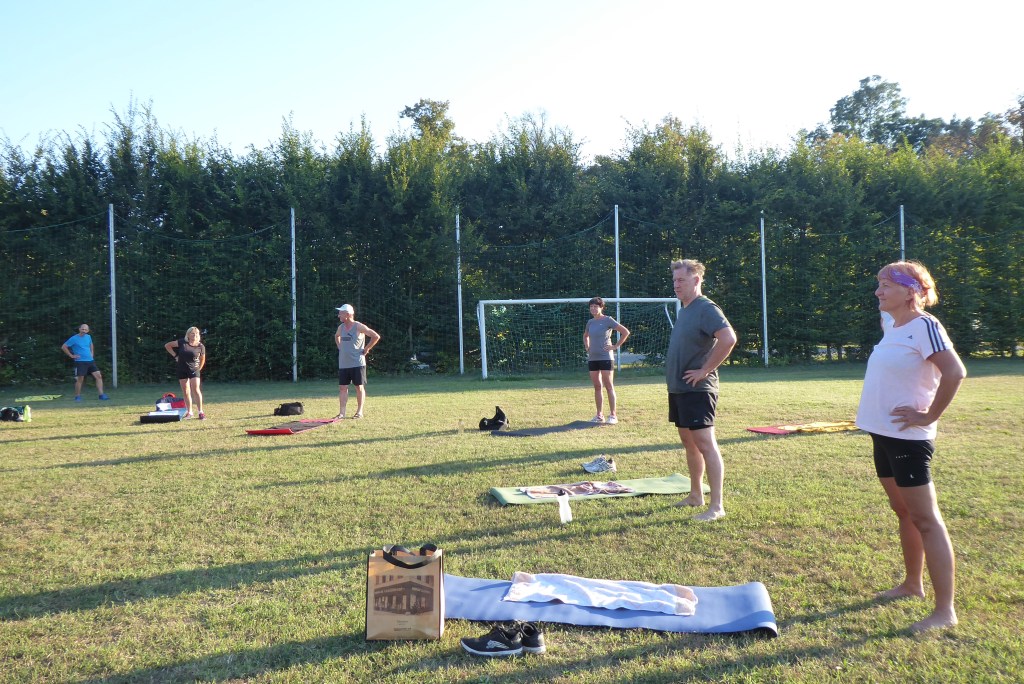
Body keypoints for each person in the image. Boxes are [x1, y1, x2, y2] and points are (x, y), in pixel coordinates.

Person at [855, 261, 966, 633]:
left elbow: (955, 371)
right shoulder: (893, 325)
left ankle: (944, 611)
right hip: (883, 435)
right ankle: (912, 584)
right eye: (878, 284)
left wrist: (929, 415)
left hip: (908, 440)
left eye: (885, 285)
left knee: (927, 521)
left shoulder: (925, 326)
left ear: (910, 291)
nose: (878, 291)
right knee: (903, 511)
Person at [665, 259, 737, 521]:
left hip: (698, 390)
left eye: (681, 280)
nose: (676, 285)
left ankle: (717, 507)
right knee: (689, 443)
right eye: (674, 280)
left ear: (696, 280)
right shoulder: (685, 310)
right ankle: (696, 495)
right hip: (680, 389)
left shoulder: (706, 308)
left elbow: (728, 339)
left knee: (706, 443)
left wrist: (704, 370)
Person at [583, 297, 630, 424]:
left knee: (609, 386)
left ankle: (613, 415)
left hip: (606, 357)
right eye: (591, 306)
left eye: (595, 306)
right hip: (593, 358)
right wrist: (587, 346)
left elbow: (625, 332)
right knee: (597, 386)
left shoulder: (608, 320)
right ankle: (599, 415)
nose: (593, 309)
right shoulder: (590, 322)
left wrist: (615, 346)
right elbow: (585, 336)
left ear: (601, 307)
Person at [335, 304, 380, 419]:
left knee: (359, 387)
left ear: (348, 314)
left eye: (341, 313)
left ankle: (359, 412)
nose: (339, 315)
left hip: (357, 363)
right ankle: (342, 413)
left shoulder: (358, 326)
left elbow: (375, 336)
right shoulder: (341, 327)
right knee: (342, 388)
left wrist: (367, 348)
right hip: (344, 364)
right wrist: (340, 347)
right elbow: (337, 336)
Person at [164, 327, 207, 419]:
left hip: (194, 370)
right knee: (186, 391)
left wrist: (199, 369)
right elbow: (167, 345)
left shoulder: (200, 346)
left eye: (196, 333)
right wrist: (175, 356)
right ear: (188, 334)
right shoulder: (182, 342)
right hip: (182, 369)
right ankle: (189, 412)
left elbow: (202, 359)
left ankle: (201, 412)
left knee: (196, 390)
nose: (194, 335)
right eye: (192, 333)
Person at [61, 323, 110, 401]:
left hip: (90, 361)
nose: (84, 331)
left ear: (88, 330)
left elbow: (91, 344)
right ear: (79, 329)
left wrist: (92, 354)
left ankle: (101, 395)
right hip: (80, 362)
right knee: (80, 379)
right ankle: (77, 396)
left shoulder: (88, 337)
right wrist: (71, 355)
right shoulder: (74, 338)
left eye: (85, 329)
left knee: (98, 376)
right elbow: (64, 347)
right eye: (82, 329)